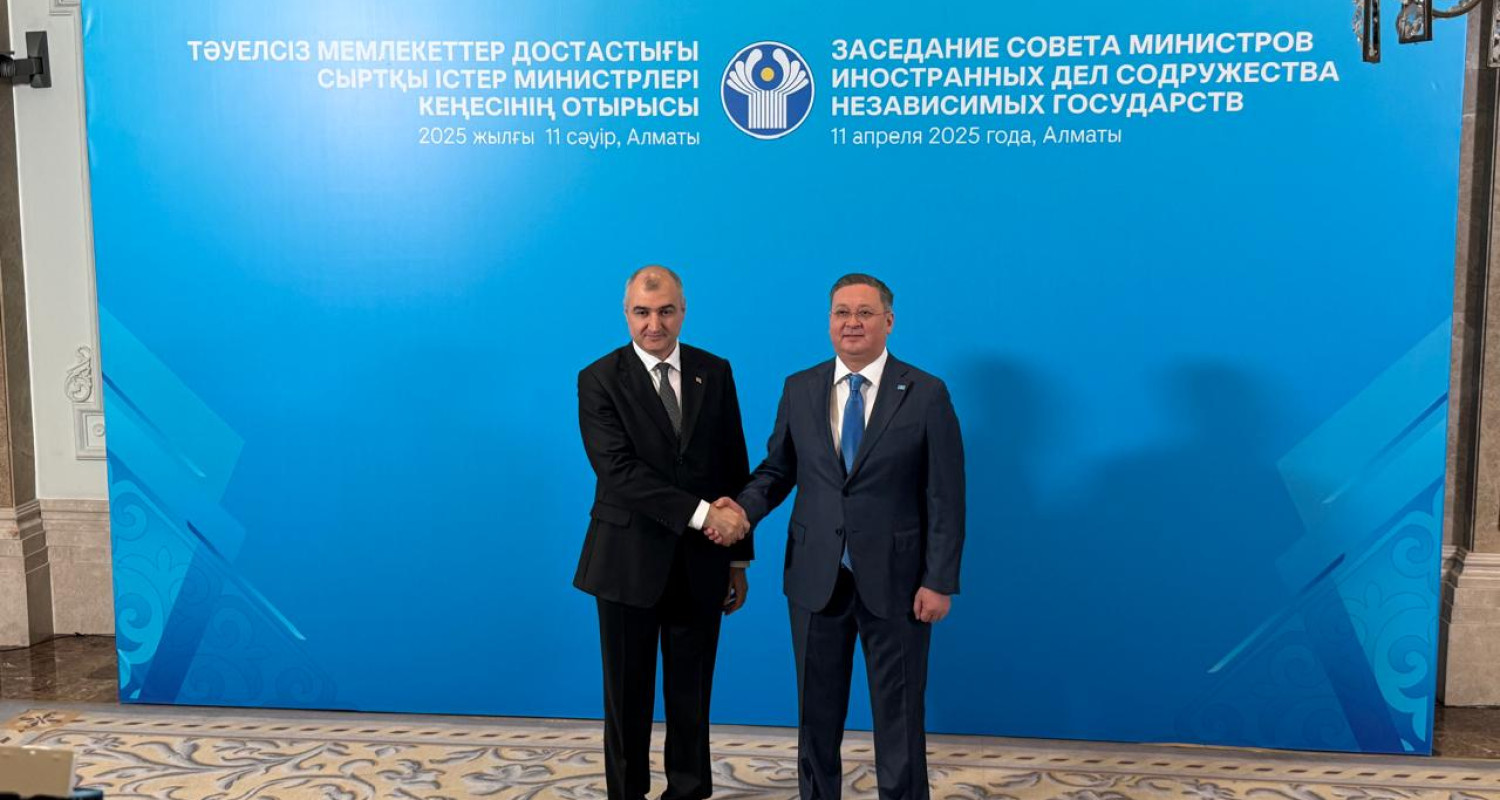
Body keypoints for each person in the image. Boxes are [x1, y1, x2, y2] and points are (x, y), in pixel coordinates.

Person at [719, 273, 965, 800]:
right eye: (841, 312)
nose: (852, 323)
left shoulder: (926, 393)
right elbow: (777, 470)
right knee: (816, 714)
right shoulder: (800, 387)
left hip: (899, 583)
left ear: (888, 321)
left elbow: (945, 495)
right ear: (829, 321)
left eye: (864, 312)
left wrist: (939, 579)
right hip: (816, 578)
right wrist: (741, 510)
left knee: (900, 716)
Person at [574, 265, 754, 800]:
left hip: (702, 562)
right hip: (626, 563)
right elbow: (618, 472)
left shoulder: (714, 371)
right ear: (626, 313)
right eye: (642, 312)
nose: (655, 324)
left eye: (666, 311)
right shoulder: (598, 378)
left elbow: (733, 463)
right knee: (626, 699)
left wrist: (738, 559)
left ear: (683, 311)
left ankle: (689, 791)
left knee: (692, 695)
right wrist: (703, 515)